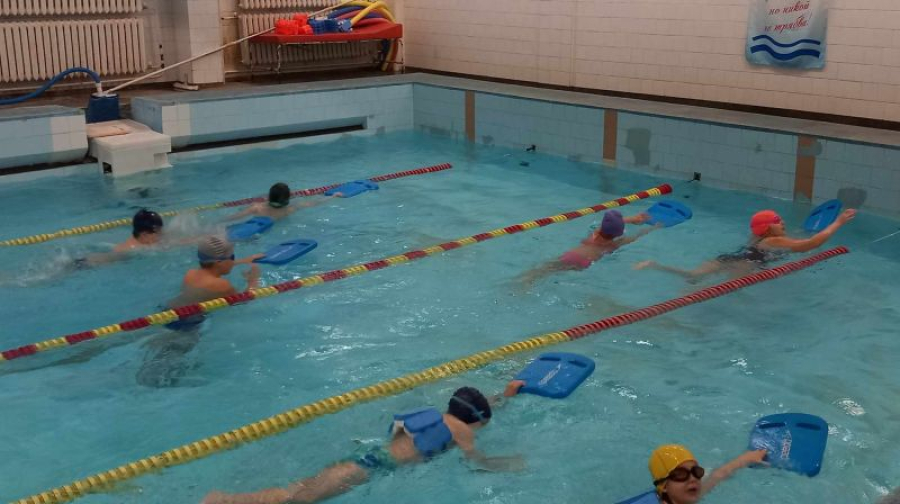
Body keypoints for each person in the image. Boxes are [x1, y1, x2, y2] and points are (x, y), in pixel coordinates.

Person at [201, 385, 526, 504]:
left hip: (370, 455)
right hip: (373, 468)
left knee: (303, 488)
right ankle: (225, 500)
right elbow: (476, 461)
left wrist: (505, 396)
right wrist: (510, 464)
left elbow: (481, 409)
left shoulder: (438, 416)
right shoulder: (463, 431)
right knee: (297, 497)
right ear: (477, 419)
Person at [136, 236, 262, 387]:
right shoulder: (222, 285)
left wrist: (243, 261)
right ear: (219, 262)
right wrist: (253, 280)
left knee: (154, 345)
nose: (233, 260)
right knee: (170, 360)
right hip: (187, 323)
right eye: (233, 257)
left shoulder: (190, 274)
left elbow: (217, 266)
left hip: (166, 312)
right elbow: (244, 300)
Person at [634, 208, 856, 281]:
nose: (782, 222)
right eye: (778, 221)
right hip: (744, 265)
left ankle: (654, 265)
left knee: (692, 276)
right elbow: (811, 244)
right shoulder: (773, 240)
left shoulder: (758, 237)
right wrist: (838, 222)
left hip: (729, 257)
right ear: (768, 228)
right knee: (721, 293)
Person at [519, 210, 654, 285]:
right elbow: (636, 236)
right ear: (618, 233)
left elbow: (610, 224)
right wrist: (654, 227)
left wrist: (632, 218)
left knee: (544, 270)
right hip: (585, 262)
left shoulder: (595, 234)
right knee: (552, 275)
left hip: (571, 255)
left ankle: (525, 282)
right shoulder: (614, 245)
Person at [647, 444, 767, 504]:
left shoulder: (684, 495)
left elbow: (718, 475)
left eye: (696, 471)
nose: (693, 478)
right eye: (681, 474)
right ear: (664, 486)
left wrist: (747, 458)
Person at [224, 183, 341, 222]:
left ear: (269, 196)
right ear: (287, 199)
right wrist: (333, 196)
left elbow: (234, 217)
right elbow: (315, 203)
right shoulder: (290, 209)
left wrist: (217, 223)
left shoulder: (256, 207)